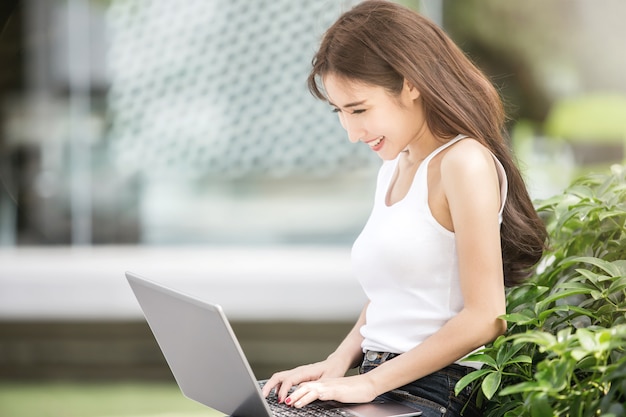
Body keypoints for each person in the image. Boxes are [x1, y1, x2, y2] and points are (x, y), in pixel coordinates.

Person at [261, 1, 547, 416]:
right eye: (339, 112)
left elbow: (487, 317)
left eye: (359, 109)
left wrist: (369, 382)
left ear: (410, 84)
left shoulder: (463, 163)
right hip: (379, 381)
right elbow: (393, 297)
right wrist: (336, 365)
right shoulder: (395, 165)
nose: (352, 133)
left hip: (437, 390)